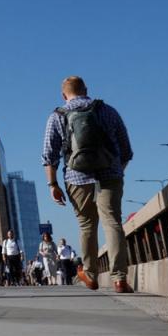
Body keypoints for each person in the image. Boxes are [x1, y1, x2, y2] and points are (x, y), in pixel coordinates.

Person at [43, 76, 134, 293]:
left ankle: (90, 274)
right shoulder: (108, 111)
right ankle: (119, 279)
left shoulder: (57, 116)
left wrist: (53, 184)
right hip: (109, 174)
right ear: (86, 90)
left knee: (86, 226)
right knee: (112, 222)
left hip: (76, 177)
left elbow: (49, 155)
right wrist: (117, 171)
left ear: (64, 95)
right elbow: (126, 149)